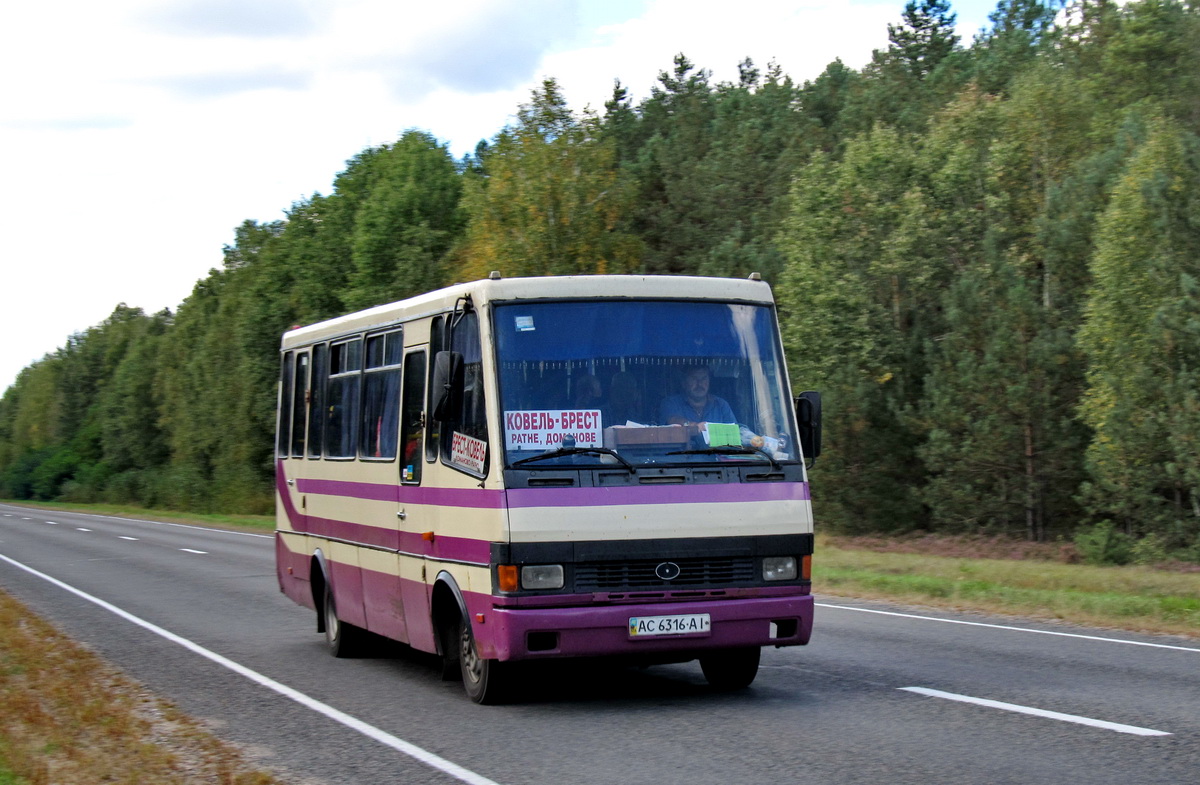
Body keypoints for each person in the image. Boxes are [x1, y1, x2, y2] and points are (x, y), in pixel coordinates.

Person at [659, 364, 736, 428]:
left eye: (704, 379)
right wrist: (694, 426)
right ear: (684, 383)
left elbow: (735, 431)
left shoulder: (721, 405)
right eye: (694, 379)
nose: (699, 384)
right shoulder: (671, 403)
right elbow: (673, 420)